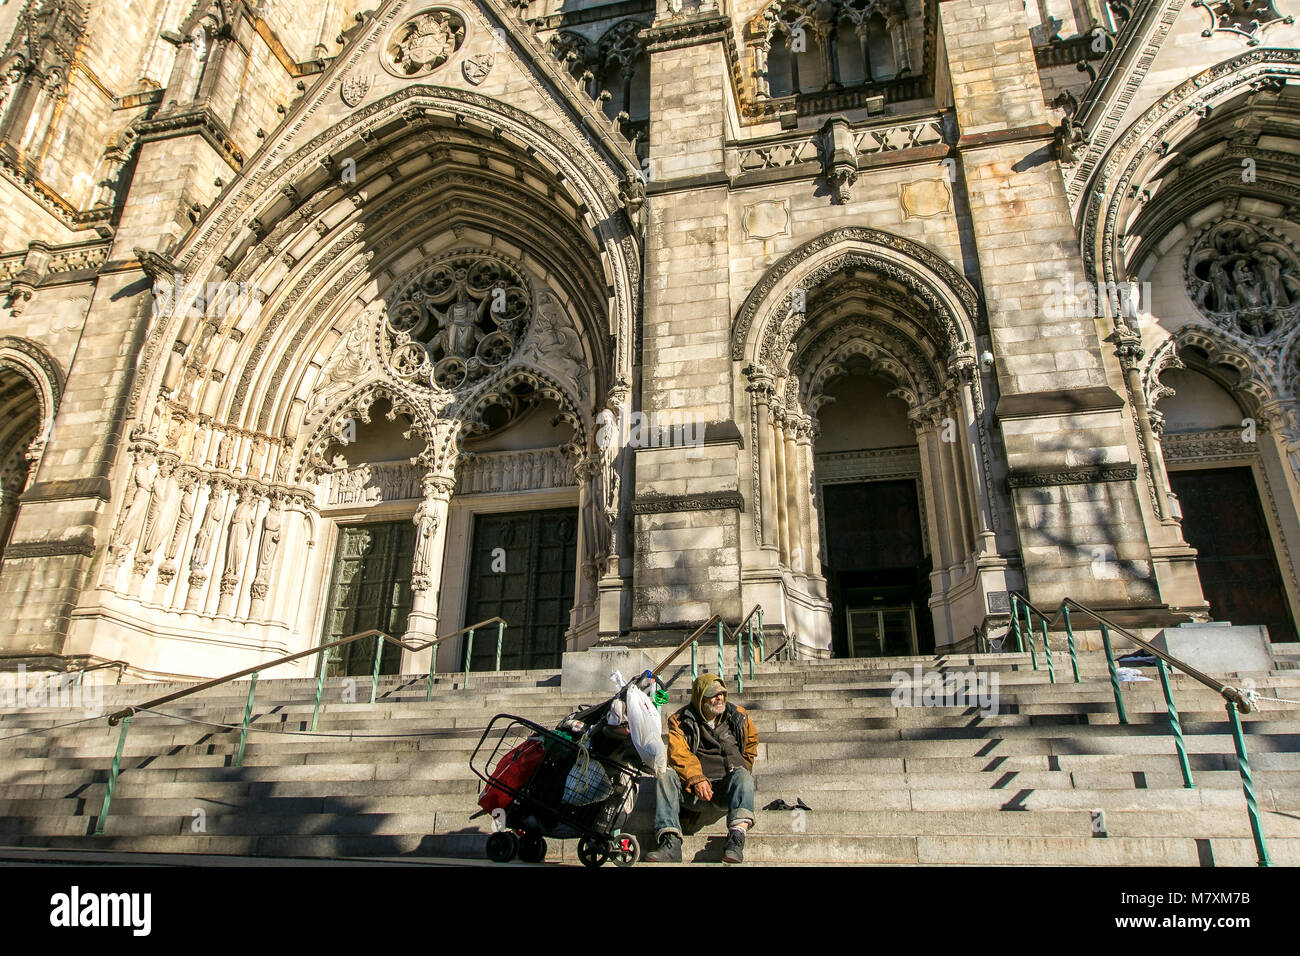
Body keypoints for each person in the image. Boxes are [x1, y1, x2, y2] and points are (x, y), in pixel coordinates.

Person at [644, 673, 758, 864]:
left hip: (725, 789)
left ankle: (736, 839)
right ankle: (670, 842)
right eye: (713, 694)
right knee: (666, 776)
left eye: (722, 693)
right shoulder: (679, 720)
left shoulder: (739, 716)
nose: (719, 698)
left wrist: (742, 770)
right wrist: (696, 778)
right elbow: (678, 754)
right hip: (694, 791)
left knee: (743, 775)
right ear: (700, 698)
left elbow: (750, 745)